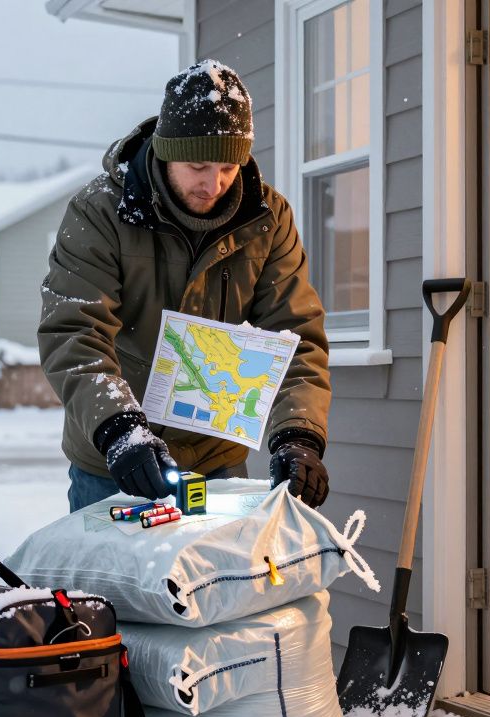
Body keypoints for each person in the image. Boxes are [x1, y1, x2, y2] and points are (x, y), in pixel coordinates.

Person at [38, 60, 332, 514]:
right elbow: (73, 333)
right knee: (113, 587)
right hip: (117, 459)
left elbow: (296, 337)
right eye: (197, 164)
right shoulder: (99, 213)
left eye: (228, 168)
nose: (212, 184)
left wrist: (298, 434)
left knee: (220, 583)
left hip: (218, 460)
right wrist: (119, 427)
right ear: (166, 151)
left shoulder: (266, 218)